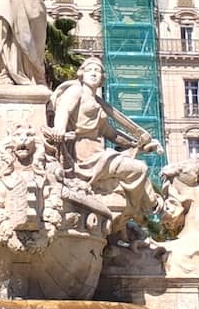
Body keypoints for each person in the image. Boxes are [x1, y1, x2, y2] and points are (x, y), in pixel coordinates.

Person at [49, 56, 162, 236]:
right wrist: (59, 128)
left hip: (98, 153)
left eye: (98, 71)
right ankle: (144, 209)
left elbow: (112, 134)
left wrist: (137, 144)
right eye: (89, 70)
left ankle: (138, 210)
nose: (93, 73)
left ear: (102, 78)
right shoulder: (76, 91)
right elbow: (64, 109)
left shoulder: (98, 103)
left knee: (137, 169)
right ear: (81, 73)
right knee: (139, 169)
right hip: (82, 154)